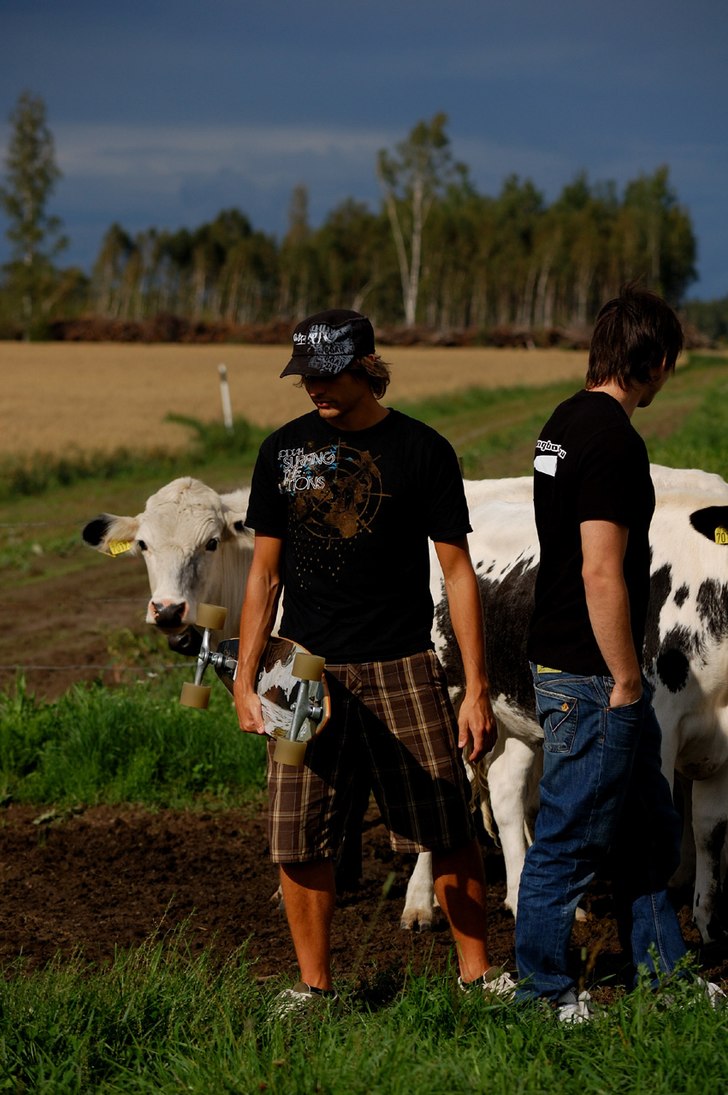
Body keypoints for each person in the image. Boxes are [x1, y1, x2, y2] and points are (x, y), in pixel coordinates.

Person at [233, 308, 514, 1013]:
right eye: (305, 376)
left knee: (447, 824)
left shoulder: (422, 450)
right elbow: (263, 576)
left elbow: (457, 575)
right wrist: (244, 680)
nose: (313, 389)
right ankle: (314, 989)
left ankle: (477, 977)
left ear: (366, 367)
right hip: (298, 671)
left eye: (326, 375)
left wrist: (475, 686)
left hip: (403, 663)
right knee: (296, 835)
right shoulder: (280, 452)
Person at [516, 284, 722, 1020]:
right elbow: (601, 568)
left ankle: (662, 973)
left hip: (565, 654)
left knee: (647, 832)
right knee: (569, 838)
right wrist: (627, 678)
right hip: (591, 672)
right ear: (657, 361)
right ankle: (541, 990)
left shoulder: (559, 426)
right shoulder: (612, 441)